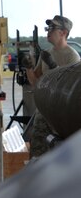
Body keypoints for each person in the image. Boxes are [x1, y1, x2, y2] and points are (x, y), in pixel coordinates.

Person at [22, 15, 80, 157]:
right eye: (48, 28)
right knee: (37, 150)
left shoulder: (72, 57)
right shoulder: (47, 54)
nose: (48, 31)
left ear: (63, 33)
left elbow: (66, 89)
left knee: (60, 154)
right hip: (44, 112)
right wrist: (28, 68)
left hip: (62, 116)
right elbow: (36, 84)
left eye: (52, 28)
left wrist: (53, 67)